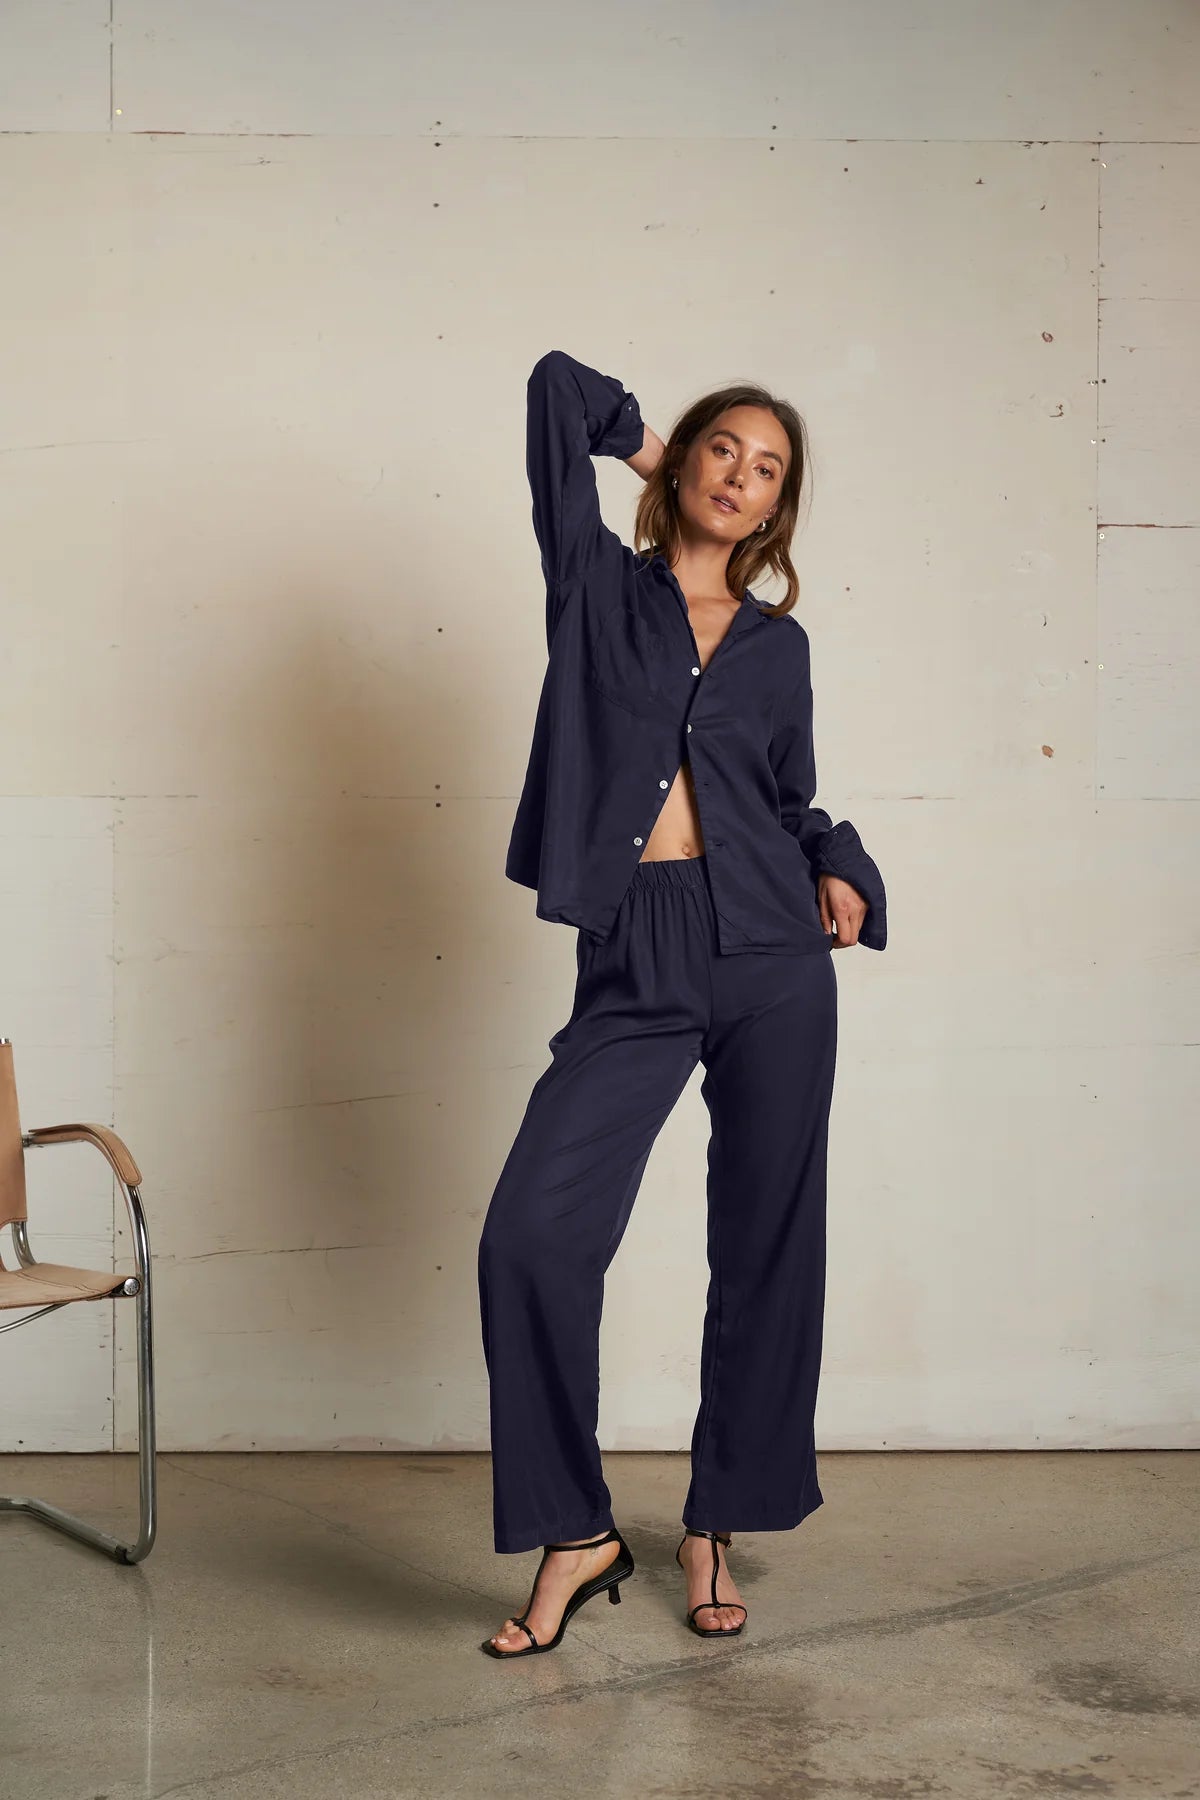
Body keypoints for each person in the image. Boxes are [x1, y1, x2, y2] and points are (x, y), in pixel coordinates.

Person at [477, 350, 888, 1659]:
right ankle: (575, 1531)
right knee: (531, 1236)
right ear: (688, 457)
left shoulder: (781, 647)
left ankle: (717, 1520)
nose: (741, 478)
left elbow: (789, 798)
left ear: (778, 509)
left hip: (773, 958)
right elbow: (554, 390)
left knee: (766, 1245)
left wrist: (841, 863)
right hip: (637, 954)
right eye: (726, 449)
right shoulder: (597, 587)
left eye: (767, 471)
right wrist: (651, 452)